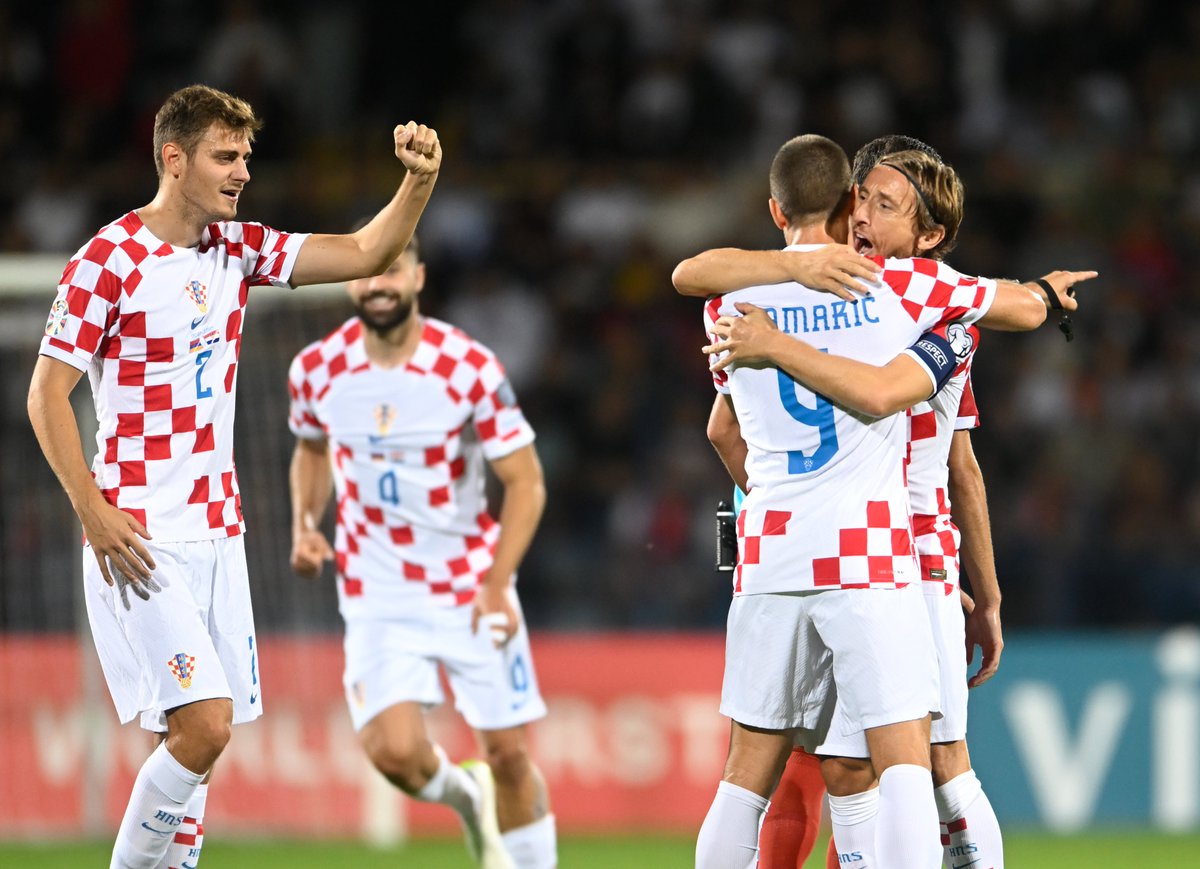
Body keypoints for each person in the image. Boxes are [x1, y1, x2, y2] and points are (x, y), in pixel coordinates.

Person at [25, 83, 441, 869]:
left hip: (220, 532)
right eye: (225, 154)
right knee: (206, 724)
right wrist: (93, 509)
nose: (243, 169)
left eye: (246, 154)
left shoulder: (237, 248)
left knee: (191, 745)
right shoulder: (107, 259)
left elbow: (365, 252)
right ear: (173, 160)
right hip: (140, 534)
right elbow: (46, 394)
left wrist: (417, 182)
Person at [687, 133, 1093, 869]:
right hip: (881, 554)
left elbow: (716, 404)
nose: (869, 214)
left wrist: (772, 492)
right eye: (865, 197)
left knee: (761, 771)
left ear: (775, 209)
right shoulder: (913, 296)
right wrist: (1041, 292)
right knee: (908, 764)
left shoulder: (734, 299)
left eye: (885, 203)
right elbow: (994, 331)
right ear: (845, 204)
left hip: (773, 547)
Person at [287, 234, 555, 869]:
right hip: (377, 591)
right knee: (396, 756)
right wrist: (305, 521)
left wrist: (496, 583)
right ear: (352, 281)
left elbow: (526, 482)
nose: (379, 284)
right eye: (368, 273)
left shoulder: (468, 366)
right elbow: (312, 448)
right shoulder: (316, 369)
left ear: (418, 277)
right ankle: (468, 799)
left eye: (393, 270)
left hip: (469, 582)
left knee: (510, 755)